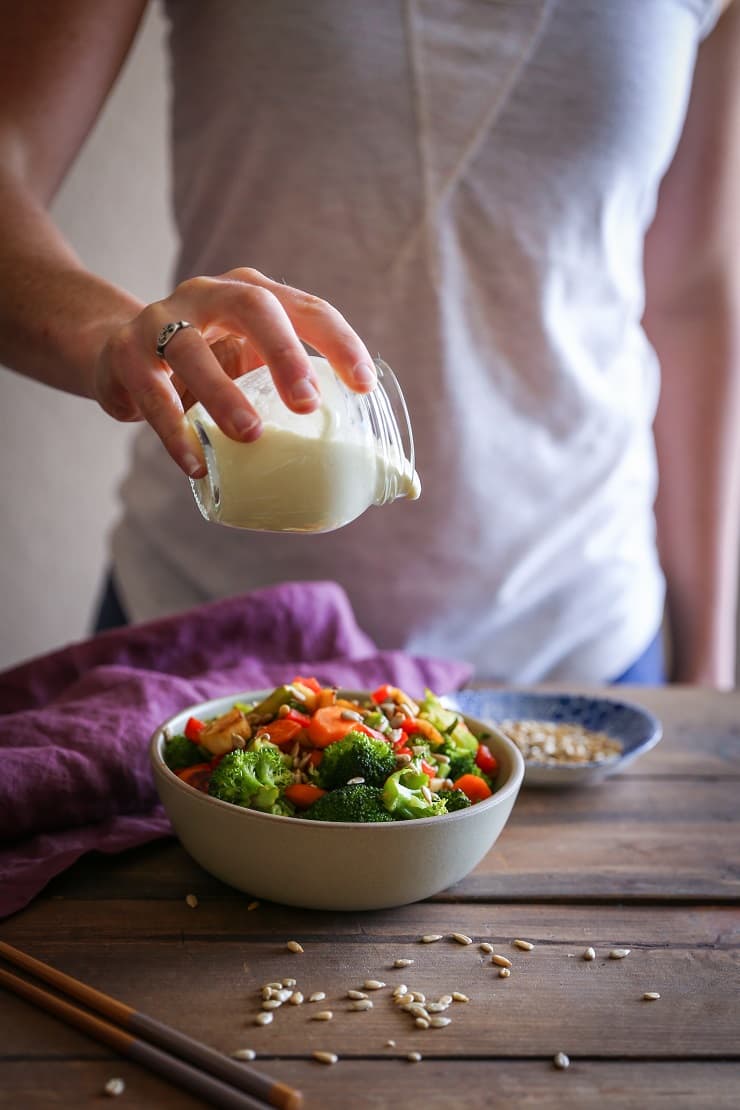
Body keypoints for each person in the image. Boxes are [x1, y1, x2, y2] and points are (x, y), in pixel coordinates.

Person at [1, 0, 738, 687]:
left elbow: (688, 293)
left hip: (575, 646)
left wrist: (708, 660)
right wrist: (117, 340)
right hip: (207, 634)